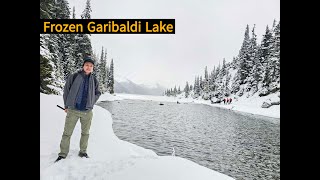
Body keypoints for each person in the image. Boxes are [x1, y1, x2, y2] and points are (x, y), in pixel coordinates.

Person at [55, 56, 101, 162]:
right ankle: (62, 154)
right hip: (73, 110)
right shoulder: (75, 76)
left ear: (93, 68)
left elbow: (98, 92)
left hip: (87, 112)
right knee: (67, 133)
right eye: (87, 65)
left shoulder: (94, 79)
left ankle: (83, 152)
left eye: (91, 66)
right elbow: (66, 90)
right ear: (83, 66)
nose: (88, 67)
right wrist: (66, 105)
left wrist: (92, 101)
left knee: (85, 133)